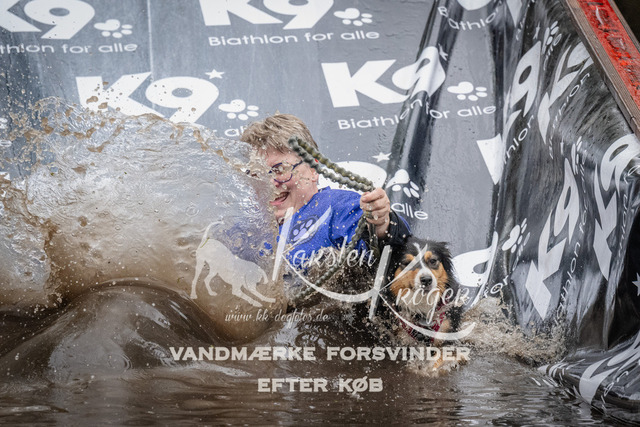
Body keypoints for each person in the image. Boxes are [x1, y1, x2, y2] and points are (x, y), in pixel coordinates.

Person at [240, 114, 410, 269]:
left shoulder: (338, 207)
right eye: (257, 174)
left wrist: (381, 225)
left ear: (313, 168)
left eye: (280, 169)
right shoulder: (243, 233)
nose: (270, 183)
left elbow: (396, 249)